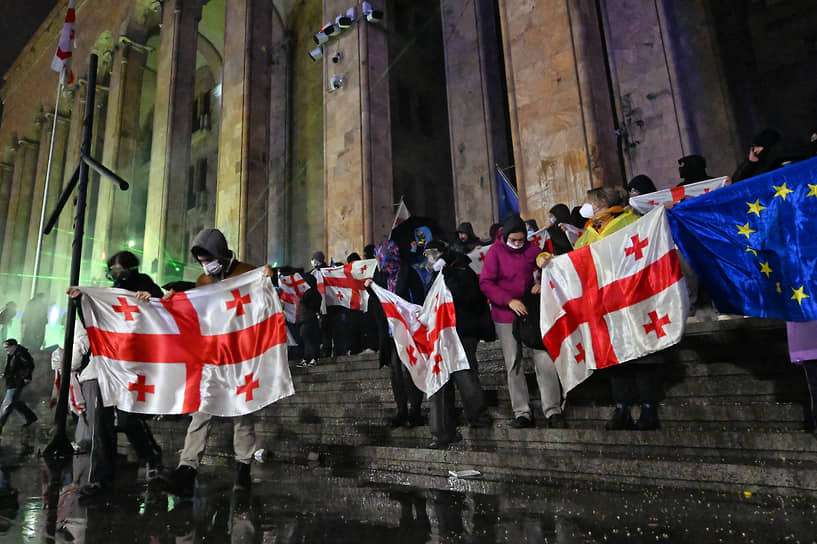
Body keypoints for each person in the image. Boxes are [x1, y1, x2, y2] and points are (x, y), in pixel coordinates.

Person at [167, 228, 270, 497]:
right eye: (200, 261)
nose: (205, 265)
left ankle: (243, 467)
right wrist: (172, 298)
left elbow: (264, 298)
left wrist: (271, 277)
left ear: (220, 254)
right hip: (213, 358)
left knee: (242, 414)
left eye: (207, 258)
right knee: (200, 413)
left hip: (241, 357)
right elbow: (196, 310)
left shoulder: (247, 272)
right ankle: (187, 468)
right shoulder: (203, 280)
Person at [67, 251, 165, 498]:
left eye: (121, 269)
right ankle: (101, 478)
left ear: (132, 269)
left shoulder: (145, 285)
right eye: (113, 270)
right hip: (107, 366)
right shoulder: (109, 295)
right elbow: (94, 322)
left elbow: (162, 310)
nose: (117, 275)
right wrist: (81, 302)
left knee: (127, 420)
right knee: (100, 423)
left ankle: (150, 456)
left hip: (134, 366)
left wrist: (151, 298)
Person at [573, 188, 663, 430]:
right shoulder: (589, 232)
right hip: (605, 305)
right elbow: (576, 259)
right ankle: (621, 408)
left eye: (589, 202)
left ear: (601, 203)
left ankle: (648, 408)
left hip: (631, 297)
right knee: (615, 356)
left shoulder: (630, 221)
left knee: (642, 353)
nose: (585, 206)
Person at [479, 213, 566, 429]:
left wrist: (542, 275)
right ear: (506, 236)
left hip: (531, 312)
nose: (518, 244)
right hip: (506, 315)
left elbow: (544, 261)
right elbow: (486, 282)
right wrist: (508, 301)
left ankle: (553, 410)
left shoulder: (529, 249)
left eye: (521, 240)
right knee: (513, 362)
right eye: (514, 240)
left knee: (544, 358)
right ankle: (522, 412)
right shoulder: (495, 252)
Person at [423, 240, 493, 449]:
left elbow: (470, 298)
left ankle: (478, 416)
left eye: (433, 254)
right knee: (440, 380)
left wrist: (449, 276)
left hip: (463, 332)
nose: (430, 259)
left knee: (465, 374)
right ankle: (441, 432)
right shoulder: (437, 276)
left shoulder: (463, 272)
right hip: (442, 335)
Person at [367, 240, 426, 428]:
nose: (381, 263)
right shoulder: (380, 277)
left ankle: (414, 410)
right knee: (395, 373)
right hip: (390, 334)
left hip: (408, 332)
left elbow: (418, 301)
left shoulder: (408, 274)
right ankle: (401, 410)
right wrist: (370, 288)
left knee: (410, 371)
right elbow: (376, 303)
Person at [0, 339, 37, 435]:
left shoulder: (21, 354)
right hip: (14, 380)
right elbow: (12, 367)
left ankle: (0, 424)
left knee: (8, 403)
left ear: (14, 346)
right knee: (15, 402)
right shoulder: (13, 354)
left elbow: (29, 365)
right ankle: (31, 417)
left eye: (7, 347)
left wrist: (27, 377)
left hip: (17, 381)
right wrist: (5, 374)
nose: (6, 349)